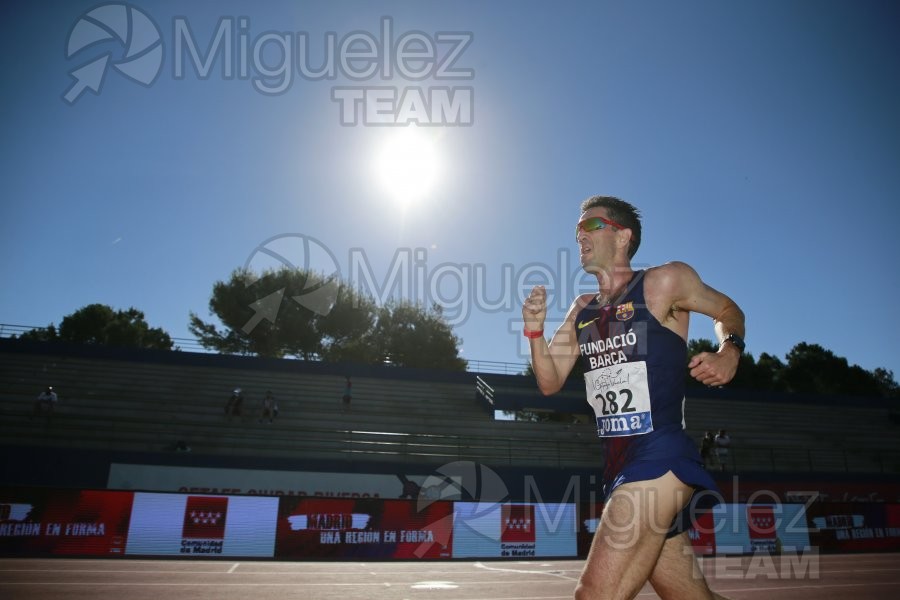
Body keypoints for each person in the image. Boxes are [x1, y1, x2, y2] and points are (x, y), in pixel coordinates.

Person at [522, 195, 744, 600]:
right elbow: (550, 381)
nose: (579, 235)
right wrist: (535, 331)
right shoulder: (583, 309)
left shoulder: (664, 282)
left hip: (660, 458)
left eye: (591, 226)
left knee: (595, 594)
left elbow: (727, 309)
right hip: (618, 467)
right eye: (576, 230)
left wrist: (729, 351)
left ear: (623, 236)